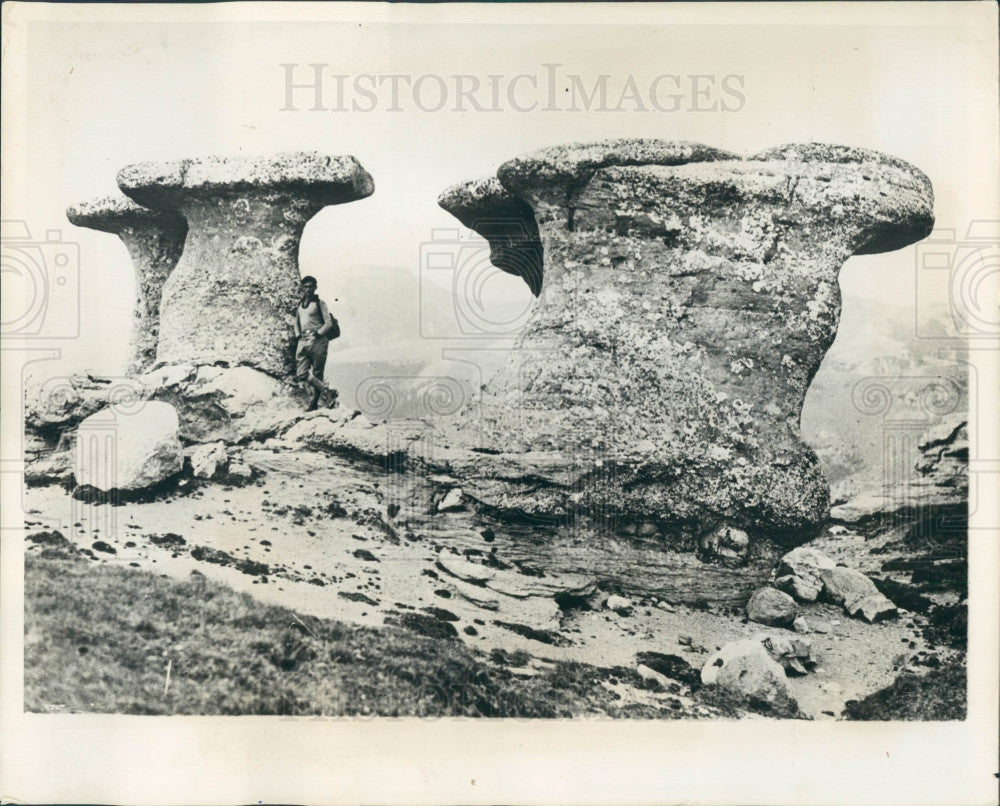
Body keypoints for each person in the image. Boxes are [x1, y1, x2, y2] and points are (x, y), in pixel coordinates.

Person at [293, 275, 340, 411]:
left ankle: (314, 404)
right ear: (302, 288)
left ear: (315, 288)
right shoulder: (300, 305)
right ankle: (328, 392)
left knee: (318, 373)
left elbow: (328, 323)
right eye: (305, 287)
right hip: (303, 340)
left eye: (310, 287)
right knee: (302, 373)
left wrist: (317, 335)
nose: (308, 289)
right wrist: (298, 336)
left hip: (318, 341)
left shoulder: (320, 303)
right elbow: (296, 322)